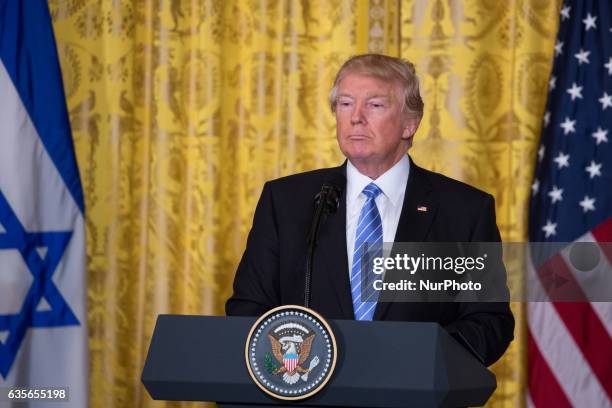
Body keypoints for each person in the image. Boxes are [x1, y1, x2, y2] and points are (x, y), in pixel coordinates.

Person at [226, 54, 514, 366]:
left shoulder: (464, 210)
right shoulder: (286, 201)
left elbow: (488, 323)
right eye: (346, 104)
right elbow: (248, 311)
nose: (356, 117)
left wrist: (415, 359)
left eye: (375, 105)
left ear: (410, 123)